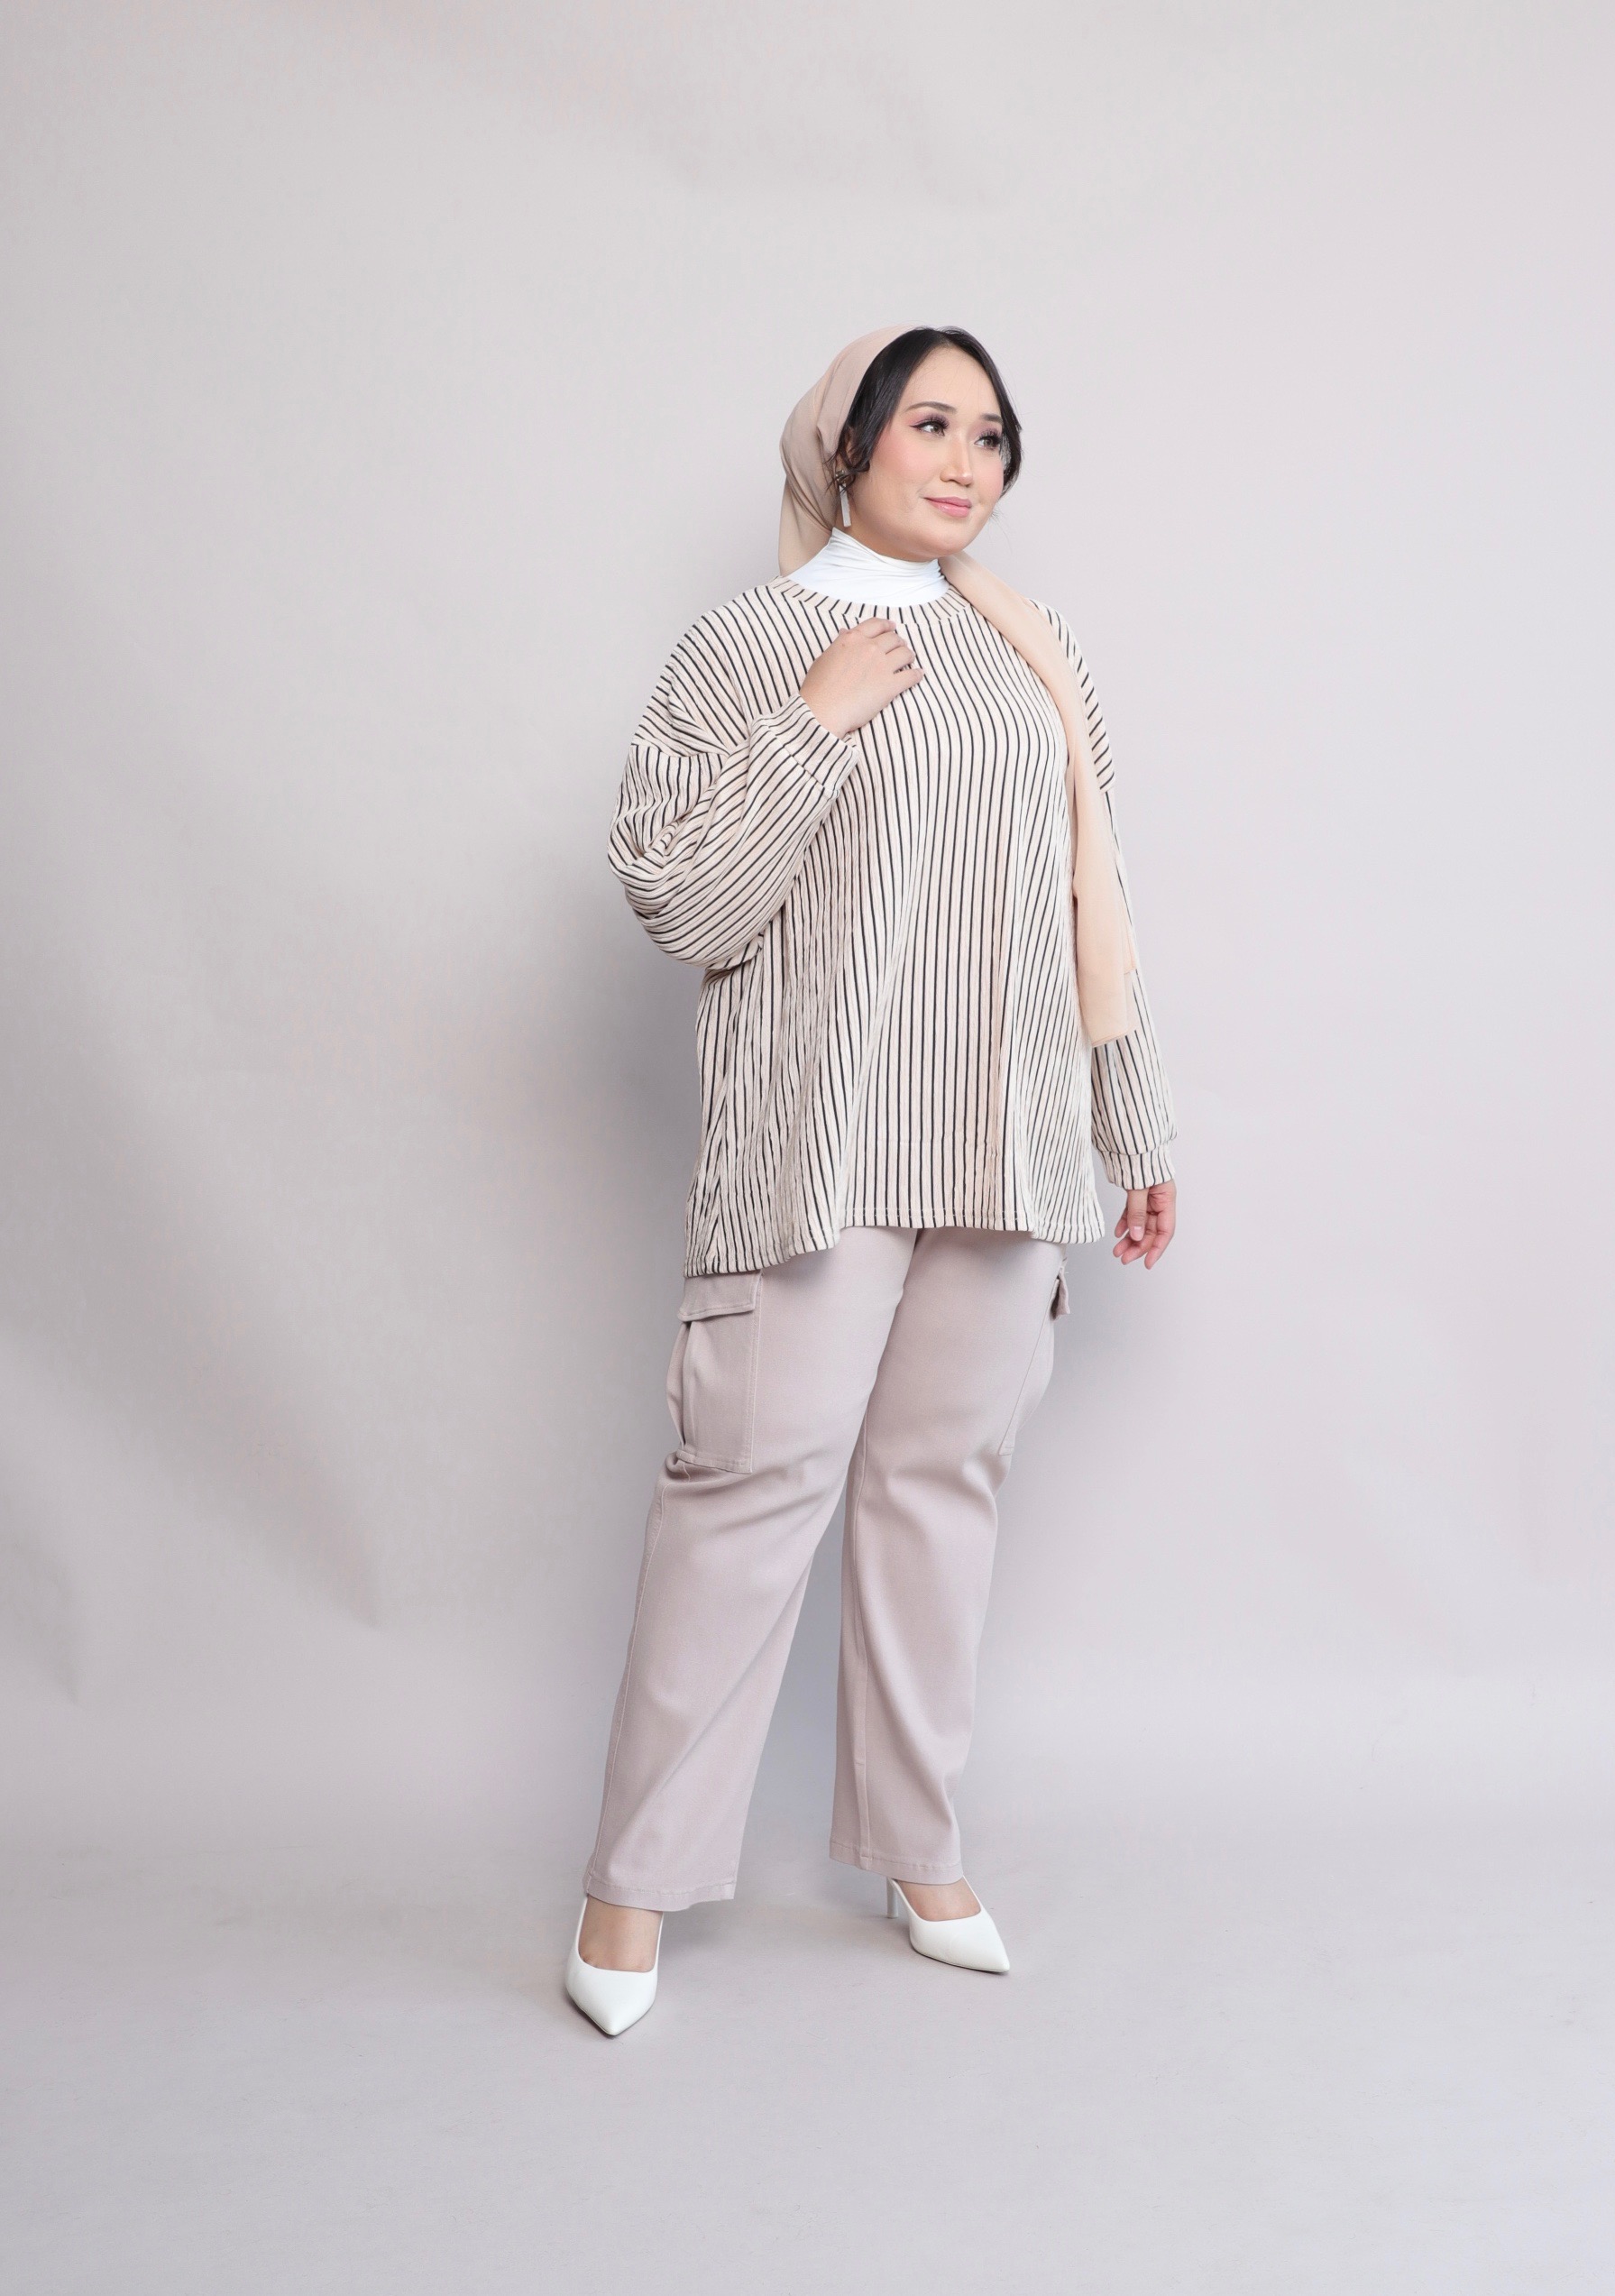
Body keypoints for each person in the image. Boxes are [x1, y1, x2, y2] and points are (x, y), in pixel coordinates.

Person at [565, 326, 1177, 2036]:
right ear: (844, 443)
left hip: (1006, 1145)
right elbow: (684, 899)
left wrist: (1131, 1128)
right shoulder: (747, 646)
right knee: (748, 1492)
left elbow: (1093, 899)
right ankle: (630, 1882)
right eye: (929, 423)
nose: (966, 460)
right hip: (818, 1147)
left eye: (991, 433)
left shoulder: (1034, 653)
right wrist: (815, 723)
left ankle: (916, 1847)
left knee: (938, 1495)